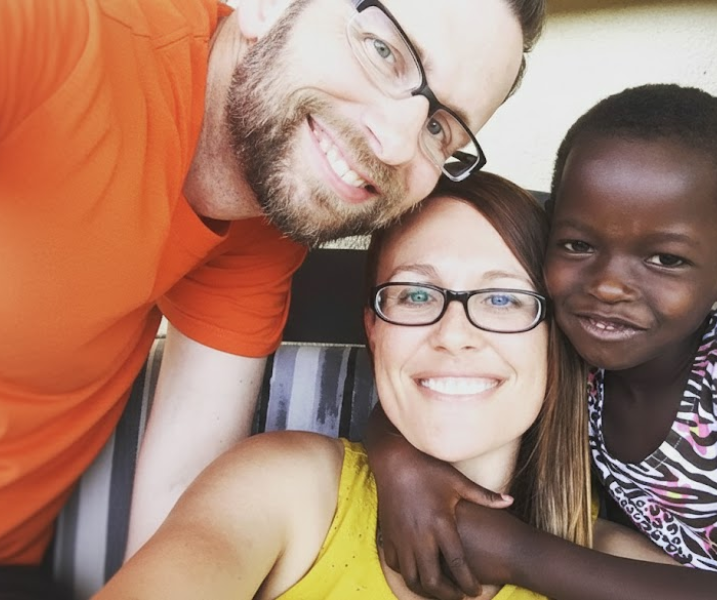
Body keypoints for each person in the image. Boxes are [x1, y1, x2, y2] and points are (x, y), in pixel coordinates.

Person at [0, 0, 544, 590]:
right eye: (384, 51)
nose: (394, 143)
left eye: (439, 128)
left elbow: (180, 502)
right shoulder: (59, 37)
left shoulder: (263, 226)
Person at [368, 84, 717, 599]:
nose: (607, 287)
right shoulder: (577, 337)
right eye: (578, 245)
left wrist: (511, 551)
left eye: (665, 259)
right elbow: (433, 386)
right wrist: (400, 464)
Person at [93, 172, 672, 600]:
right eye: (416, 294)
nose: (454, 335)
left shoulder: (618, 569)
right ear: (374, 329)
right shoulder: (287, 490)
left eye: (502, 299)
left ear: (555, 337)